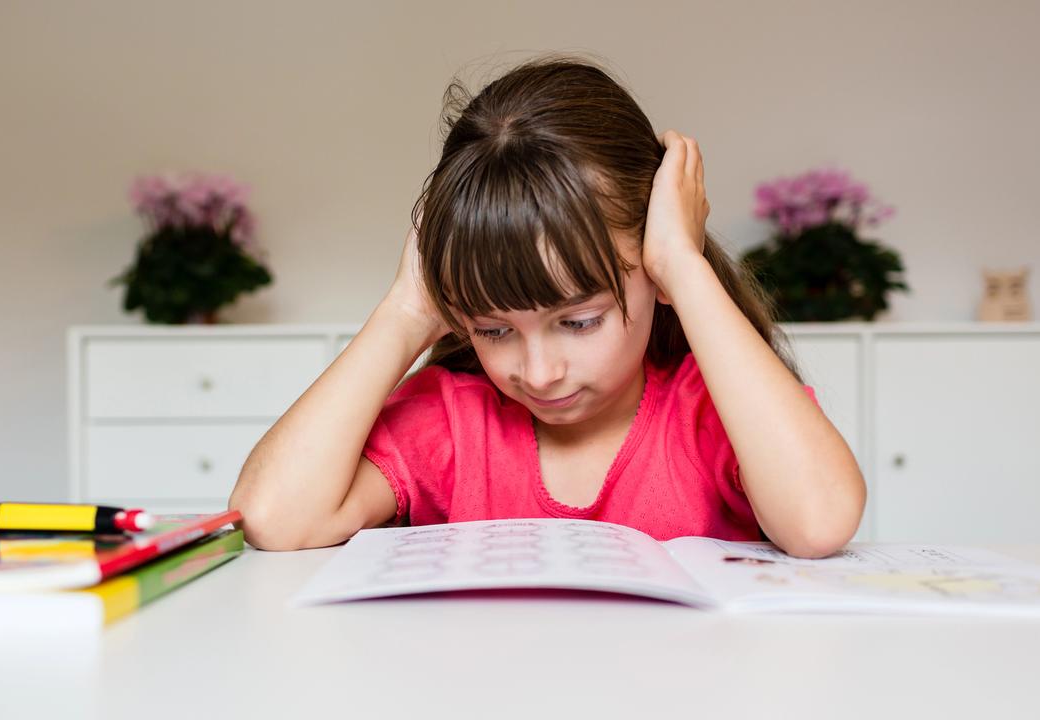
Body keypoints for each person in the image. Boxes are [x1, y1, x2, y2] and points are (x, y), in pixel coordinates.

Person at [229, 54, 865, 558]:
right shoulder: (452, 424)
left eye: (580, 321)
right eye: (495, 329)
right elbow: (274, 517)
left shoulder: (711, 414)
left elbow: (819, 521)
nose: (538, 374)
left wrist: (684, 268)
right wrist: (406, 312)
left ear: (651, 268)